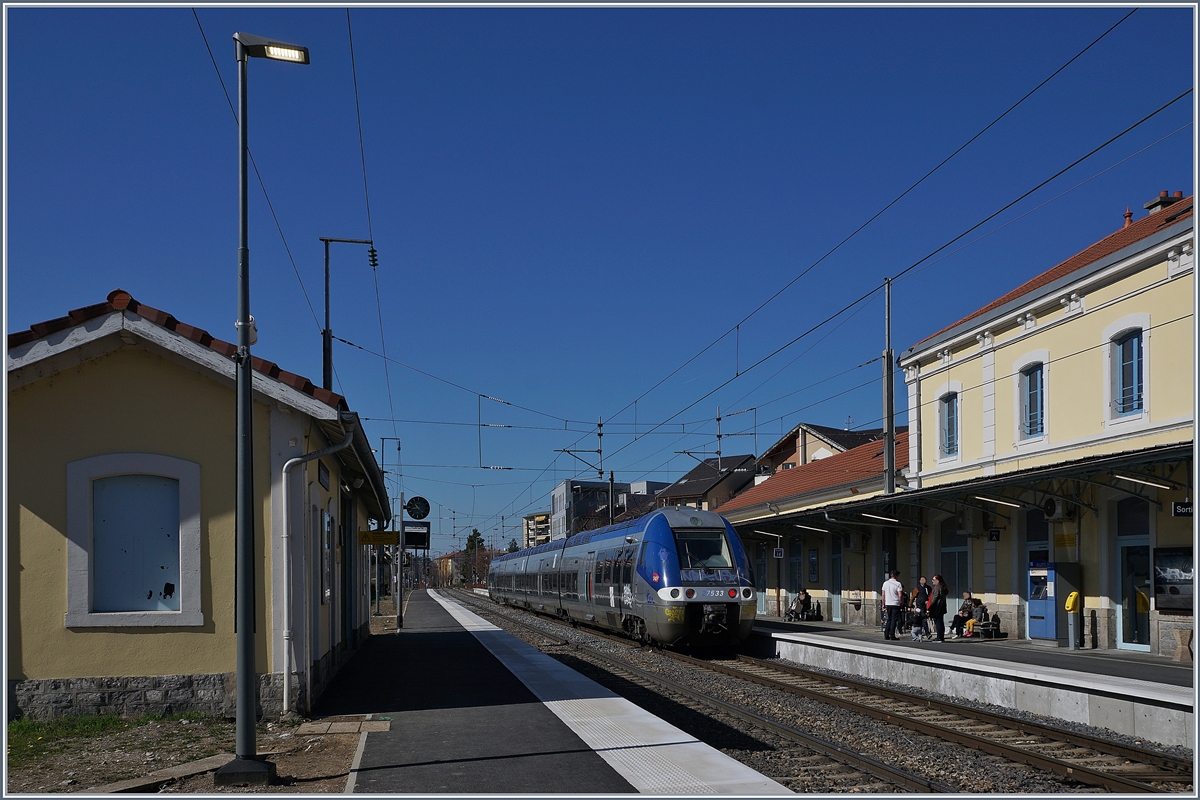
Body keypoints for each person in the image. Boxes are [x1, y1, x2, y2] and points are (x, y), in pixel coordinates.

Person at [881, 569, 904, 640]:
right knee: (894, 620)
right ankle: (892, 635)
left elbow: (883, 594)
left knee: (889, 619)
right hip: (895, 603)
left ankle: (886, 634)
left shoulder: (885, 583)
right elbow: (900, 595)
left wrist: (883, 603)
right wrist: (901, 602)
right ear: (896, 576)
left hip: (888, 603)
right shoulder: (898, 584)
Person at [927, 574, 949, 642]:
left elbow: (935, 598)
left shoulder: (937, 588)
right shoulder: (941, 587)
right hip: (941, 607)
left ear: (938, 580)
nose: (932, 581)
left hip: (938, 607)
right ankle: (940, 637)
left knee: (938, 622)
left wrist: (930, 607)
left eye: (933, 580)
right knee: (940, 621)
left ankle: (939, 637)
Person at [910, 577, 931, 642]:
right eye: (922, 580)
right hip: (920, 605)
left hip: (927, 606)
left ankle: (925, 633)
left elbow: (930, 595)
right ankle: (927, 633)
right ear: (920, 581)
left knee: (924, 619)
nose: (923, 581)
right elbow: (913, 596)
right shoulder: (917, 588)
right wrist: (910, 605)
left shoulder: (928, 588)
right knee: (923, 618)